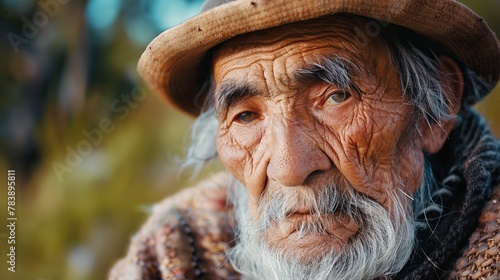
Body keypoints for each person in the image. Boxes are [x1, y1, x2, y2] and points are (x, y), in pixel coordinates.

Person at [110, 0, 500, 279]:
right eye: (247, 115)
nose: (289, 168)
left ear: (434, 111)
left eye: (335, 97)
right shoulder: (174, 249)